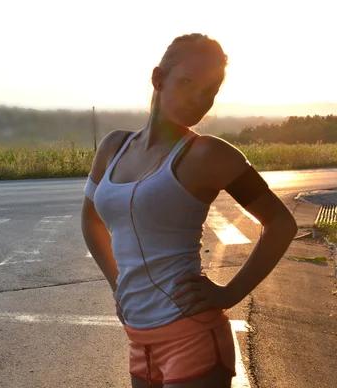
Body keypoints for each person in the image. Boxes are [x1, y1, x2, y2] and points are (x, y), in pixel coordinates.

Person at [81, 33, 298, 388]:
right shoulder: (113, 147)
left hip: (193, 336)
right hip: (139, 340)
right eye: (186, 82)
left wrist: (230, 293)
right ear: (158, 78)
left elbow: (281, 223)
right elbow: (90, 220)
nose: (199, 98)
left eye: (210, 91)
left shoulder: (208, 154)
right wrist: (116, 282)